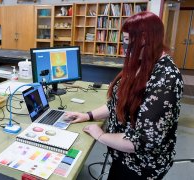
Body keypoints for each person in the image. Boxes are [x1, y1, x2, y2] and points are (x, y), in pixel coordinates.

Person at [65, 12, 183, 180]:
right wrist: (87, 115)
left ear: (144, 39)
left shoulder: (166, 78)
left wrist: (100, 135)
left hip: (140, 167)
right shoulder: (143, 62)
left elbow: (142, 141)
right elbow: (118, 102)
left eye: (127, 40)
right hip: (122, 157)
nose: (124, 46)